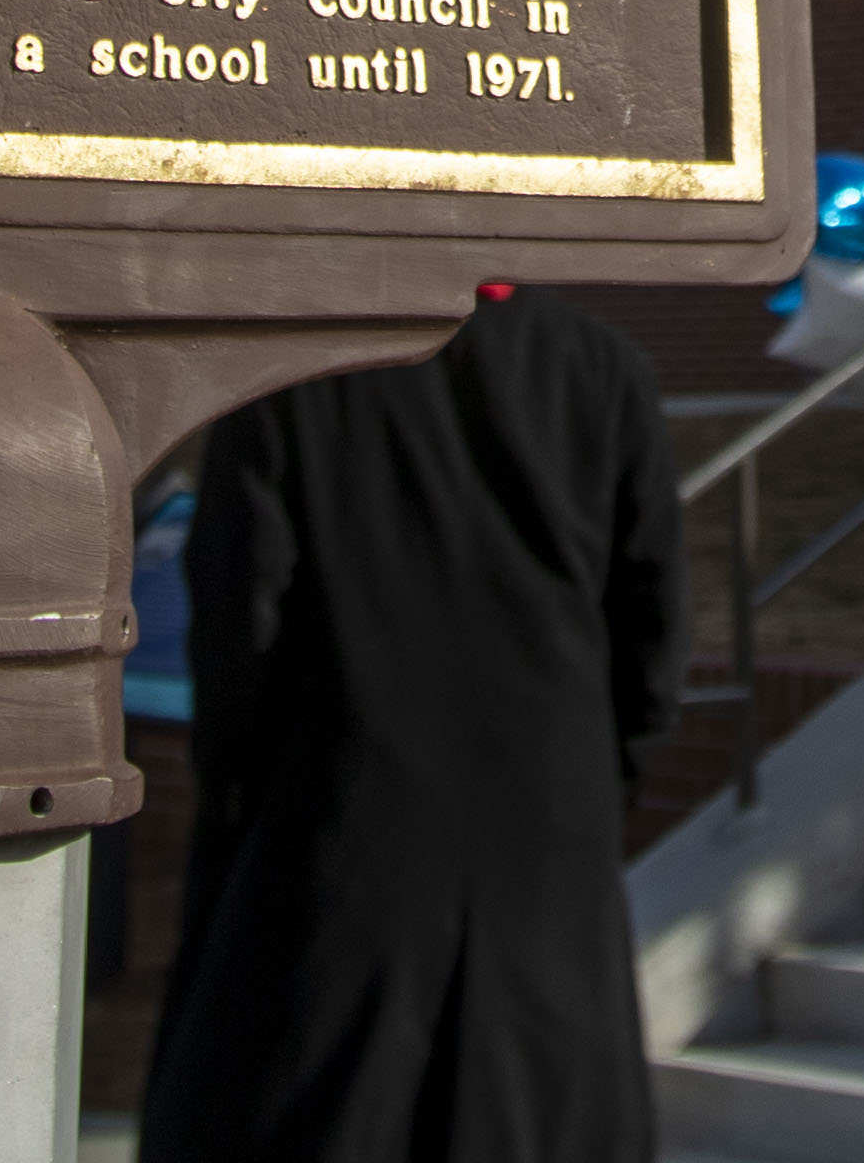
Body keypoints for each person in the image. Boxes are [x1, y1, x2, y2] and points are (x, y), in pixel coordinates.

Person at [139, 286, 684, 1163]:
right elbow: (652, 619)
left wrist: (244, 786)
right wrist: (604, 776)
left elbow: (240, 613)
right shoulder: (603, 369)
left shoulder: (293, 374)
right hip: (546, 825)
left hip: (345, 812)